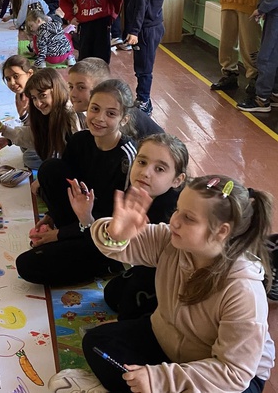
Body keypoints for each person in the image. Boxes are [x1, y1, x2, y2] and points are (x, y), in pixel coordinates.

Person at [79, 175, 274, 393]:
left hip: (227, 375)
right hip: (168, 343)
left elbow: (233, 373)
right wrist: (115, 233)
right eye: (177, 209)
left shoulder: (243, 291)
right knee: (96, 342)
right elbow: (122, 244)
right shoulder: (171, 240)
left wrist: (159, 379)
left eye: (189, 218)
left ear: (222, 231)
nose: (175, 220)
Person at [15, 79, 137, 286]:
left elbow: (116, 220)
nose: (99, 118)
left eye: (111, 113)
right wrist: (52, 216)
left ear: (124, 119)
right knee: (49, 168)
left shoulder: (127, 158)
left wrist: (61, 234)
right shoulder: (80, 140)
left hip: (106, 233)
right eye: (95, 109)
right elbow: (66, 183)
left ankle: (107, 264)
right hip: (82, 217)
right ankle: (70, 237)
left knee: (27, 265)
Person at [102, 133, 188, 320]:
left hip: (170, 280)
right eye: (141, 162)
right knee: (112, 294)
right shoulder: (137, 191)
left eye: (159, 169)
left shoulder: (172, 214)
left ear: (177, 180)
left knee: (131, 301)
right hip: (136, 262)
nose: (145, 172)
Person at [204, 0, 278, 94]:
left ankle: (255, 79)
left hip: (251, 4)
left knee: (250, 44)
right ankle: (229, 74)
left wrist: (266, 4)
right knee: (227, 42)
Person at [0, 67, 80, 167]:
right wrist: (3, 131)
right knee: (26, 148)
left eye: (43, 95)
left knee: (33, 159)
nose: (38, 103)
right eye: (34, 98)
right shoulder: (43, 110)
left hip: (71, 162)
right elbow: (35, 134)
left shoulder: (70, 117)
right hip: (55, 147)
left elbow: (76, 157)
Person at [68, 57, 164, 138]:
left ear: (100, 89)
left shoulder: (117, 121)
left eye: (81, 87)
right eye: (71, 86)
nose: (73, 94)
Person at [121, 0, 165, 116]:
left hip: (146, 29)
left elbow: (142, 4)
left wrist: (134, 31)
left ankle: (144, 101)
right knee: (140, 65)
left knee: (144, 67)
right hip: (144, 27)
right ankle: (143, 98)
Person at [0, 55, 40, 169]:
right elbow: (32, 128)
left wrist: (2, 128)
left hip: (56, 142)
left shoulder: (39, 96)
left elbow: (38, 134)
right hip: (42, 136)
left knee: (29, 157)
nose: (12, 83)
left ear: (30, 73)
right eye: (8, 79)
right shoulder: (22, 95)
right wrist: (9, 140)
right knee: (24, 147)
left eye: (16, 76)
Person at [237, 0, 278, 113]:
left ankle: (262, 100)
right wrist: (262, 6)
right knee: (273, 57)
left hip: (276, 15)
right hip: (273, 12)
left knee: (266, 58)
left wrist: (263, 8)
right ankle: (274, 94)